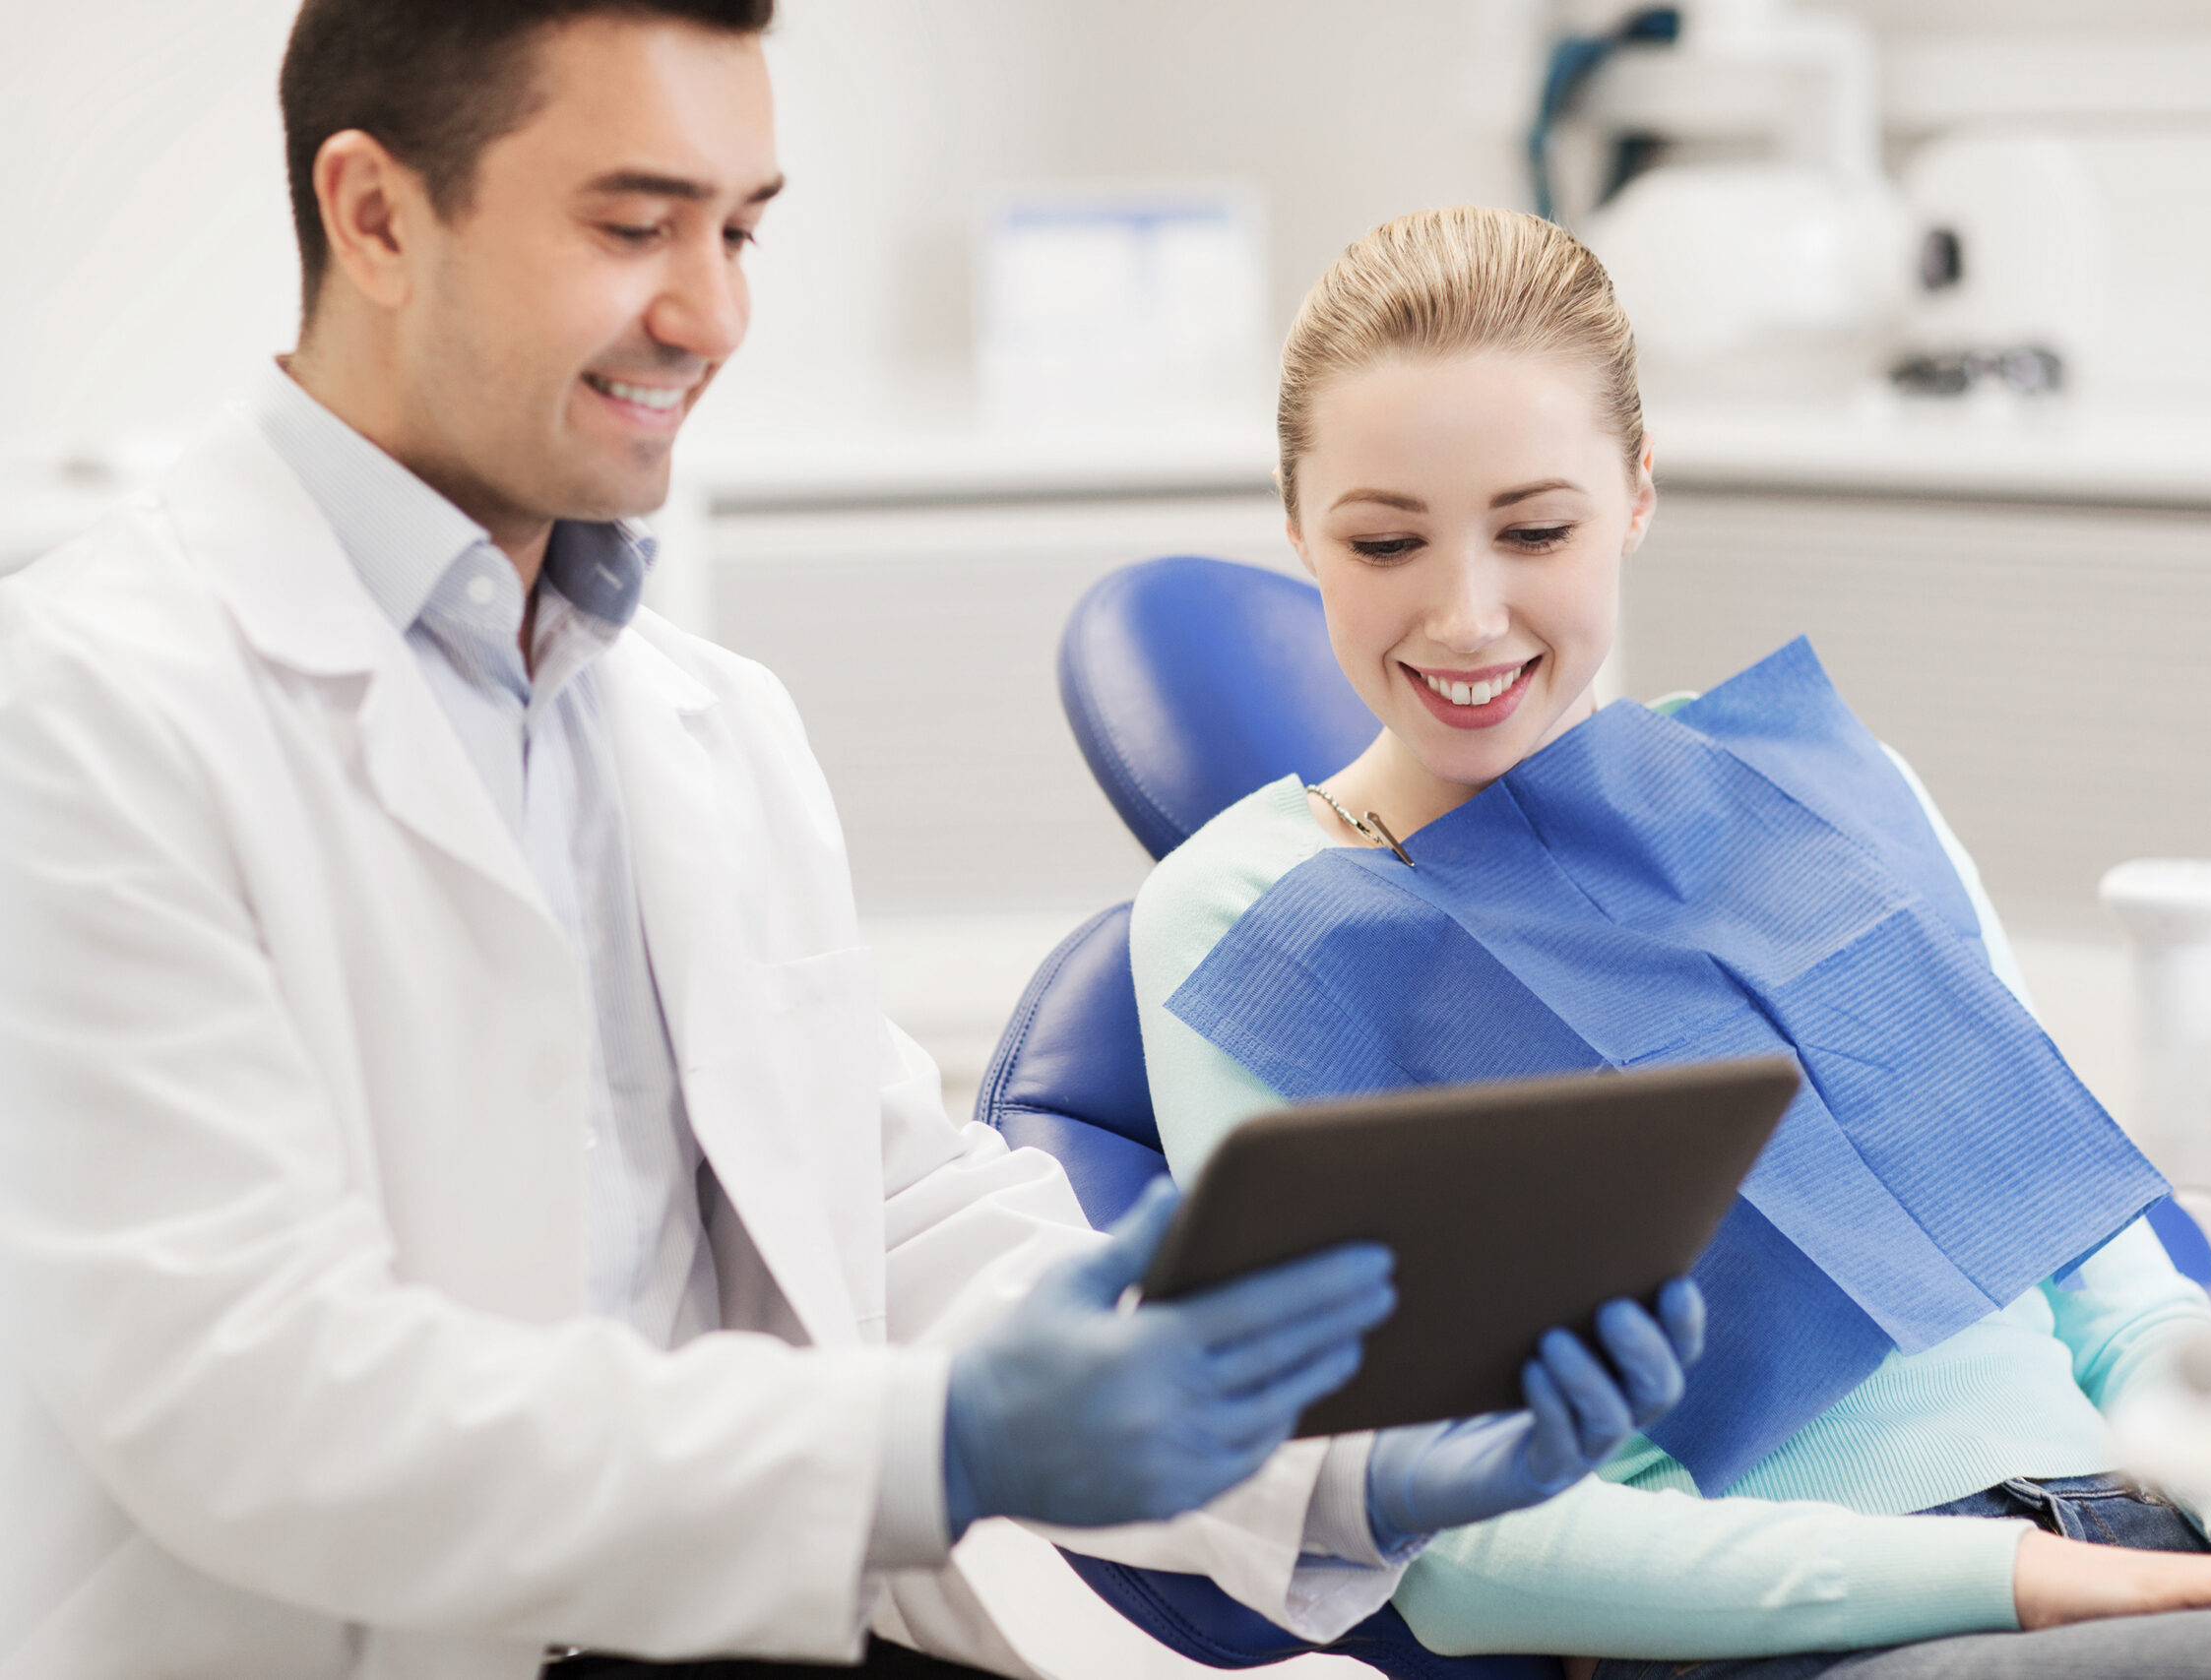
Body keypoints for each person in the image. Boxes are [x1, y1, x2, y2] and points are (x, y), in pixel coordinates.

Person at [0, 14, 1708, 1678]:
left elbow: (893, 1229)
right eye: (632, 225)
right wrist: (939, 1445)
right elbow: (259, 1396)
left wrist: (1338, 1464)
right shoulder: (84, 712)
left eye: (739, 229)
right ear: (376, 215)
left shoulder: (705, 722)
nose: (712, 311)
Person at [1129, 205, 2211, 1680]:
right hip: (1870, 1627)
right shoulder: (1255, 923)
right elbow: (1459, 1557)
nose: (1465, 616)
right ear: (1297, 527)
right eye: (1385, 540)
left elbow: (2110, 1281)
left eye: (1537, 529)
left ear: (1641, 495)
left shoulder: (1820, 786)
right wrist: (2036, 1583)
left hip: (2160, 1539)